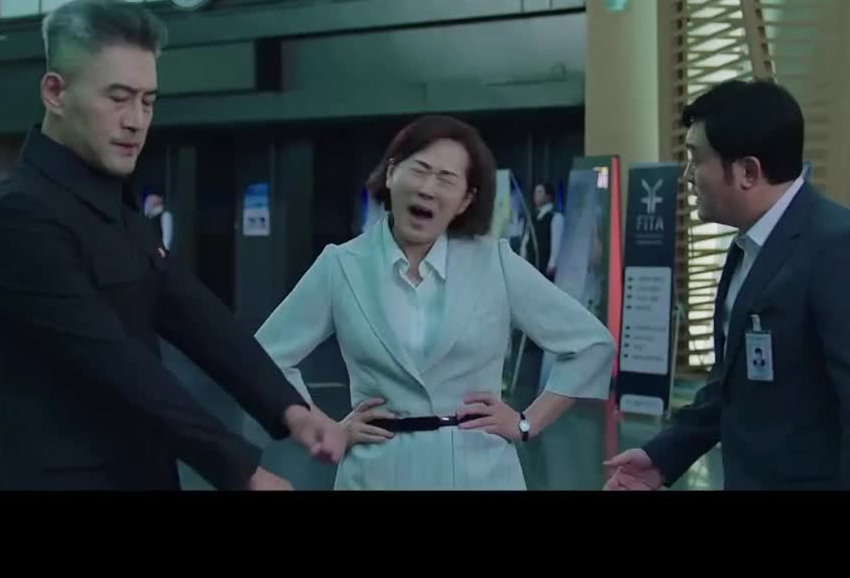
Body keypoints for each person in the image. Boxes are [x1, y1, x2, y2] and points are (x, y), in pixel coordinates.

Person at [0, 0, 345, 491]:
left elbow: (195, 316)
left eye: (148, 101)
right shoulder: (19, 214)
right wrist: (241, 470)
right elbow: (118, 368)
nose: (136, 120)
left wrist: (290, 408)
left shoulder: (112, 204)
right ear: (55, 93)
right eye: (118, 98)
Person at [254, 114, 615, 489]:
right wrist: (323, 426)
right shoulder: (341, 265)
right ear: (391, 174)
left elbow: (591, 344)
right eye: (419, 170)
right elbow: (265, 357)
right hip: (375, 473)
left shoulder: (494, 263)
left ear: (465, 200)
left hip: (480, 472)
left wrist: (527, 423)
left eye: (446, 179)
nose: (428, 188)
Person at [603, 78, 850, 491]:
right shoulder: (748, 245)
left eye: (696, 158)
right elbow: (732, 384)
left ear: (747, 171)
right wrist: (663, 457)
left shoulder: (844, 250)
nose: (688, 175)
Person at [532, 182, 564, 280]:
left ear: (548, 196)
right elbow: (527, 238)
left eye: (540, 192)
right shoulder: (533, 216)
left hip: (545, 264)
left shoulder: (555, 217)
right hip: (532, 263)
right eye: (535, 192)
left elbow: (556, 241)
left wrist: (552, 262)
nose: (536, 195)